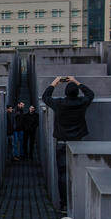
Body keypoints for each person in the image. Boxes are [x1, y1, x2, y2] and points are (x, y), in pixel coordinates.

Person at [42, 76, 95, 212]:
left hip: (62, 142)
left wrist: (55, 82)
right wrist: (76, 81)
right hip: (78, 143)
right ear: (77, 93)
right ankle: (80, 202)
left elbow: (45, 97)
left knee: (62, 174)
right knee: (80, 172)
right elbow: (91, 94)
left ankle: (64, 204)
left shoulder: (59, 104)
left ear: (65, 93)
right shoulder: (82, 102)